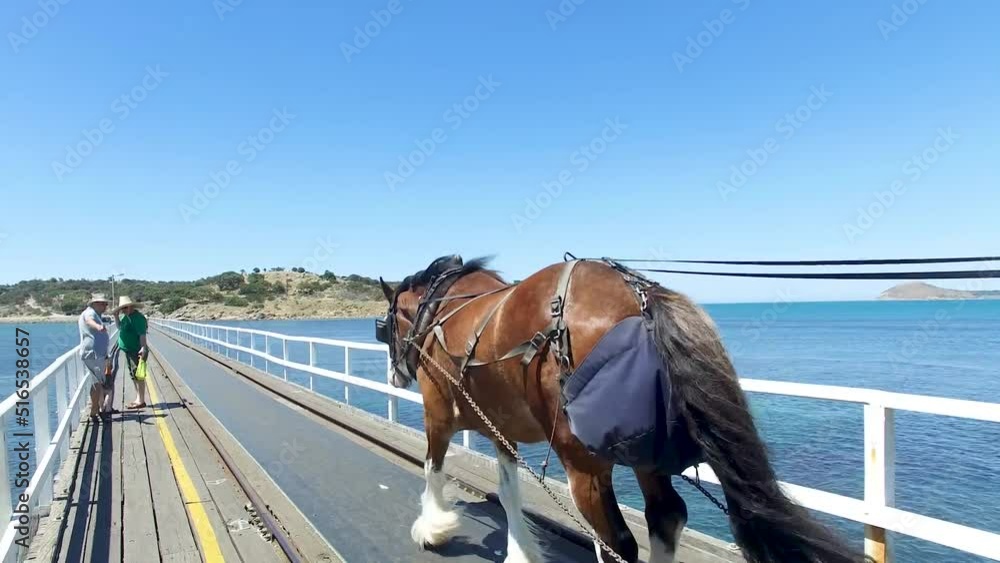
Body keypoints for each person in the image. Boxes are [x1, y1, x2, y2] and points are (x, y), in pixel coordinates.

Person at [111, 295, 149, 409]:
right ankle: (138, 398)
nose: (124, 310)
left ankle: (141, 400)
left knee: (139, 375)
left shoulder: (137, 318)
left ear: (131, 307)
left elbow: (142, 334)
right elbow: (120, 328)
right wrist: (116, 317)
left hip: (136, 351)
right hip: (128, 350)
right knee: (133, 375)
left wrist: (143, 348)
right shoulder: (126, 317)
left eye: (126, 307)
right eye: (122, 308)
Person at [78, 294, 112, 420]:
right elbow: (89, 321)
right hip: (93, 354)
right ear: (95, 304)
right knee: (97, 382)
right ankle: (95, 410)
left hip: (97, 353)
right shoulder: (90, 313)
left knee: (96, 381)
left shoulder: (96, 314)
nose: (105, 306)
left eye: (106, 304)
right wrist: (98, 326)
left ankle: (97, 409)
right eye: (103, 303)